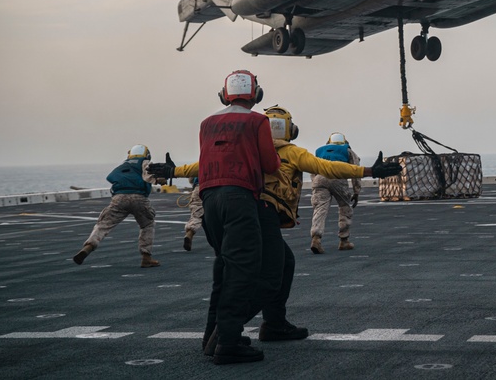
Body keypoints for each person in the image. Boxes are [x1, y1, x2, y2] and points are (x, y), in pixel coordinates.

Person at [152, 103, 401, 359]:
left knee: (239, 271)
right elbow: (326, 167)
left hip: (233, 211)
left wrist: (172, 171)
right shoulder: (291, 152)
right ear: (290, 129)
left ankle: (269, 324)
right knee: (270, 277)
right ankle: (228, 331)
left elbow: (200, 165)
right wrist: (369, 171)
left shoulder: (244, 149)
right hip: (262, 214)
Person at [151, 70, 281, 365]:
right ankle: (229, 342)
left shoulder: (207, 123)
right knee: (245, 271)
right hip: (240, 199)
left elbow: (206, 161)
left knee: (224, 268)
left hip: (210, 200)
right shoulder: (258, 120)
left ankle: (213, 337)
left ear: (223, 95)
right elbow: (271, 164)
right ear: (255, 95)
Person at [73, 144, 160, 268]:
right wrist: (160, 179)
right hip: (139, 198)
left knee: (103, 225)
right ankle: (146, 258)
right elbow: (150, 176)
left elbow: (110, 177)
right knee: (147, 224)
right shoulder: (145, 163)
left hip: (119, 199)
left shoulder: (123, 165)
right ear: (146, 154)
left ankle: (89, 246)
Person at [310, 132, 363, 253]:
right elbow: (356, 171)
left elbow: (311, 168)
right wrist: (356, 191)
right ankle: (344, 241)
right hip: (338, 178)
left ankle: (316, 239)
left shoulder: (319, 151)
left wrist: (315, 185)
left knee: (320, 209)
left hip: (320, 178)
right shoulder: (347, 151)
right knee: (345, 208)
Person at [182, 177, 203, 251]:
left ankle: (189, 233)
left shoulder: (199, 165)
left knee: (196, 216)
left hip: (198, 188)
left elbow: (191, 178)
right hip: (214, 189)